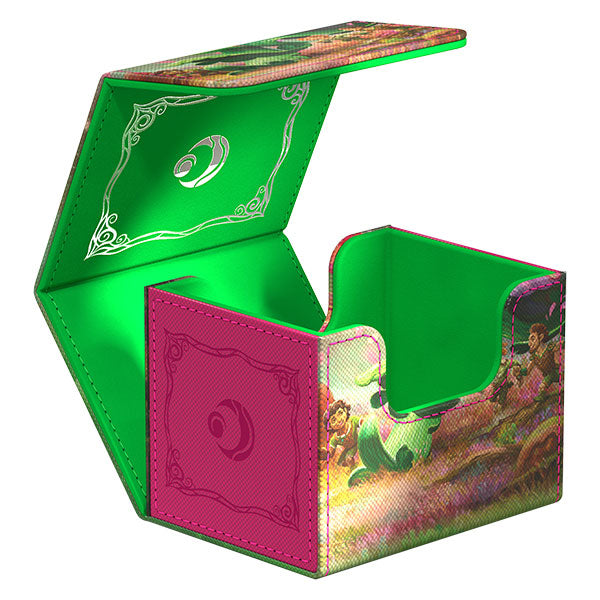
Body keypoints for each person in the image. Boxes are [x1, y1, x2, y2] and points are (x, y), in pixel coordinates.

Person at [319, 400, 363, 467]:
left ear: (345, 410)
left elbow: (362, 422)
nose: (339, 420)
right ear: (330, 426)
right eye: (334, 420)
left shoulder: (352, 421)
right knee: (346, 461)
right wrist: (325, 454)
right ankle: (354, 469)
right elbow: (330, 453)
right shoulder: (335, 438)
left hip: (360, 441)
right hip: (351, 449)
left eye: (340, 413)